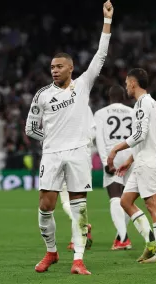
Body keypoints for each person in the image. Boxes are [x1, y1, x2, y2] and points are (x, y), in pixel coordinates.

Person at [25, 0, 114, 275]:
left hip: (78, 152)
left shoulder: (83, 85)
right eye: (52, 67)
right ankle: (51, 252)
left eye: (59, 67)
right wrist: (50, 138)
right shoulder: (42, 95)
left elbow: (100, 55)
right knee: (45, 205)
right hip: (52, 153)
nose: (54, 70)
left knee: (79, 208)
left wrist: (107, 20)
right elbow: (30, 128)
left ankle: (78, 260)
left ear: (70, 68)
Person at [108, 68, 156, 263]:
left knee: (153, 204)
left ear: (133, 83)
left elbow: (140, 135)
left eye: (127, 83)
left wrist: (116, 149)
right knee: (125, 201)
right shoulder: (149, 104)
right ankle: (150, 242)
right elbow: (149, 137)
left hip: (148, 162)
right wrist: (129, 160)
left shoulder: (144, 103)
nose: (126, 86)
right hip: (142, 159)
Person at [94, 85, 134, 250]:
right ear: (124, 97)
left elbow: (100, 140)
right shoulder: (132, 112)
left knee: (115, 197)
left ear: (109, 97)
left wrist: (106, 162)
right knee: (128, 199)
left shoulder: (101, 113)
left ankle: (123, 238)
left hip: (113, 153)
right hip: (130, 155)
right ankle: (120, 237)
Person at [62, 106, 95, 251]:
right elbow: (93, 132)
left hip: (63, 156)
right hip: (84, 158)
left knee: (66, 199)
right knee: (80, 200)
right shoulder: (85, 107)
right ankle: (75, 239)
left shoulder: (58, 105)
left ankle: (83, 226)